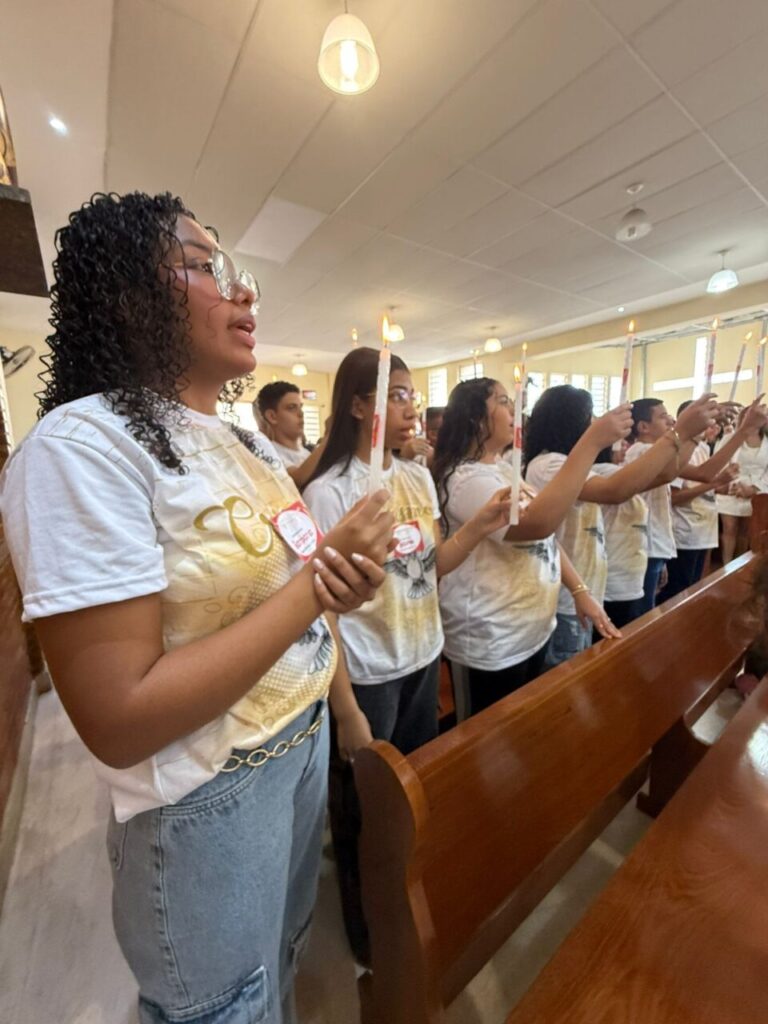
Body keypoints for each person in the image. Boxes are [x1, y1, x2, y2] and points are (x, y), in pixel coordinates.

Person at [0, 192, 394, 1024]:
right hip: (210, 795)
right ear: (127, 292)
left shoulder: (248, 446)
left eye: (237, 271)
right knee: (225, 1006)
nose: (244, 292)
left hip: (301, 743)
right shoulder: (82, 444)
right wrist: (315, 588)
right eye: (205, 266)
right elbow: (121, 714)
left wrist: (345, 577)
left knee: (282, 958)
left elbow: (298, 588)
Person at [303, 348, 510, 963]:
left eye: (412, 395)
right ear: (359, 405)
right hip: (367, 674)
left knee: (413, 802)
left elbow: (430, 566)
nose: (411, 408)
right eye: (396, 395)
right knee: (366, 818)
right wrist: (345, 712)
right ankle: (369, 933)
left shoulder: (416, 477)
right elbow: (322, 612)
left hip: (423, 658)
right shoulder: (329, 491)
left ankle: (407, 906)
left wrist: (478, 528)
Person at [433, 378, 628, 715]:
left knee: (523, 730)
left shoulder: (504, 468)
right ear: (476, 417)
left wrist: (580, 590)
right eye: (503, 401)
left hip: (532, 626)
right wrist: (591, 442)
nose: (514, 410)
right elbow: (537, 524)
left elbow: (547, 539)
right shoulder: (465, 478)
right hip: (493, 636)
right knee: (486, 743)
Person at [525, 386, 717, 663]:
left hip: (588, 587)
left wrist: (689, 435)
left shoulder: (577, 464)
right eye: (589, 416)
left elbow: (662, 474)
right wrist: (679, 434)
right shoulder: (548, 464)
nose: (596, 422)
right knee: (571, 674)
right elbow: (615, 491)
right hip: (566, 596)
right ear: (569, 420)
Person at [628, 396, 766, 609]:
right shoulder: (642, 451)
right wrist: (694, 431)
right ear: (643, 426)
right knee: (651, 611)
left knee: (674, 601)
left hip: (659, 543)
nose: (671, 421)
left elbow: (705, 473)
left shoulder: (657, 452)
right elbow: (673, 475)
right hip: (647, 543)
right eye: (664, 417)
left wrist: (742, 432)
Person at [659, 405, 737, 600]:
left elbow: (705, 478)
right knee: (676, 595)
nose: (714, 427)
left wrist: (721, 485)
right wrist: (714, 484)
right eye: (708, 421)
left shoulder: (701, 447)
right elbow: (675, 498)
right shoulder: (680, 449)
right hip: (685, 532)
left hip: (702, 529)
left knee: (693, 592)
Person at [716, 405, 768, 563]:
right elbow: (721, 461)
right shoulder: (731, 438)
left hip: (757, 491)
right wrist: (737, 485)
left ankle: (739, 565)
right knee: (729, 529)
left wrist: (753, 488)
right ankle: (726, 566)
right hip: (732, 488)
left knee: (746, 532)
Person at [255, 381, 324, 488]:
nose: (301, 413)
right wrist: (329, 437)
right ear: (272, 416)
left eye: (300, 407)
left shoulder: (307, 453)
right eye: (291, 408)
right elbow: (297, 479)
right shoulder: (268, 453)